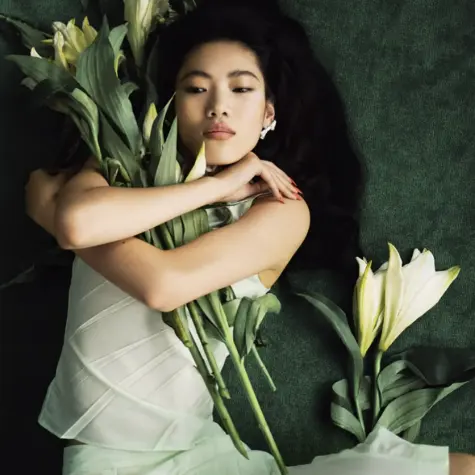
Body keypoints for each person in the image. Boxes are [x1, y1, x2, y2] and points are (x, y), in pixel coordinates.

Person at [24, 1, 475, 474]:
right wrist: (216, 187)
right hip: (108, 461)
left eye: (241, 88)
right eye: (196, 88)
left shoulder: (281, 208)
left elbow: (160, 284)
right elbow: (78, 223)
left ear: (268, 112)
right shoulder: (116, 165)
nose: (218, 105)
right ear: (172, 105)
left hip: (195, 456)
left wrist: (55, 218)